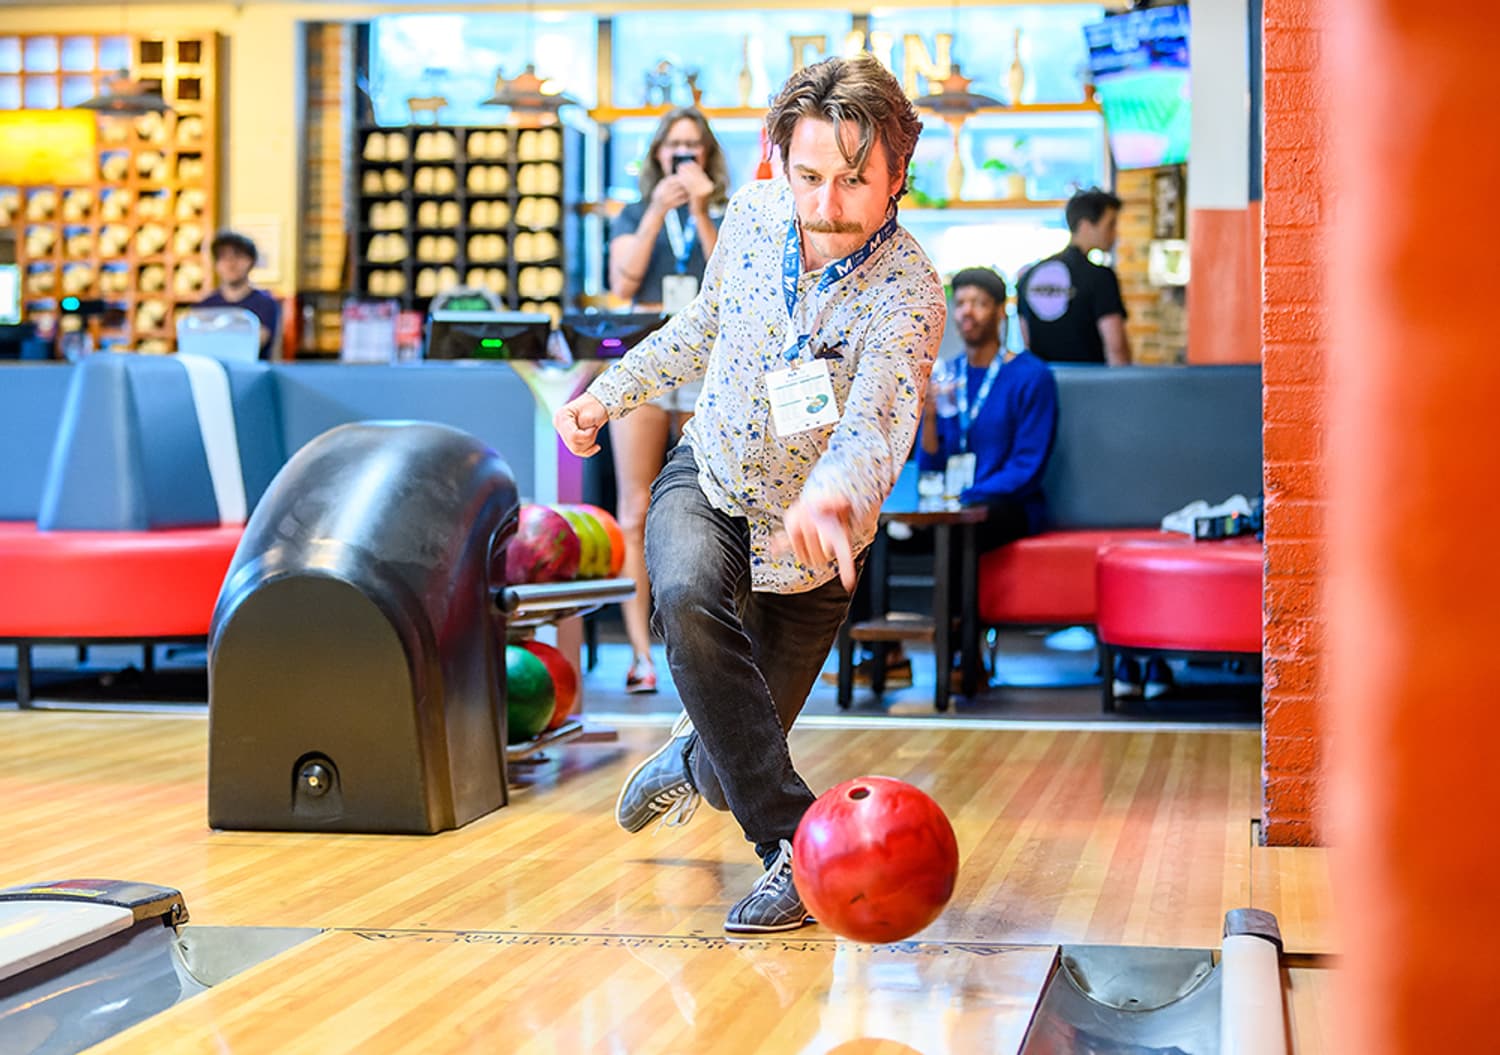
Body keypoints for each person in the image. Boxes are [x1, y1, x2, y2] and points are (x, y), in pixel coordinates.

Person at [553, 54, 945, 933]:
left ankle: (693, 761)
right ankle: (796, 855)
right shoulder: (756, 213)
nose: (826, 204)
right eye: (808, 176)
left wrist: (836, 494)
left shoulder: (912, 292)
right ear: (780, 163)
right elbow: (701, 326)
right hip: (712, 479)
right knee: (688, 596)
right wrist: (608, 393)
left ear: (897, 177)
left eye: (853, 181)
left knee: (737, 752)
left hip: (814, 546)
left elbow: (879, 419)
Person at [837, 267, 1059, 689]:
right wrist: (931, 415)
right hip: (949, 505)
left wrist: (970, 497)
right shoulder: (946, 375)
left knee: (961, 534)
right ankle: (884, 656)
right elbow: (932, 464)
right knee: (869, 534)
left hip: (1008, 505)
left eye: (978, 303)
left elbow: (1027, 467)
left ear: (1000, 312)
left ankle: (964, 659)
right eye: (960, 304)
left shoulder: (1031, 375)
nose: (967, 312)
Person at [606, 108, 730, 694]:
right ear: (657, 156)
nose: (683, 157)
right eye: (673, 147)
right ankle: (640, 656)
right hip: (645, 363)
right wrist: (659, 209)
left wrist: (701, 212)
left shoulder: (732, 217)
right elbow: (623, 283)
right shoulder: (633, 212)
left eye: (693, 147)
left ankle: (710, 652)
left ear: (707, 156)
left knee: (717, 502)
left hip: (710, 371)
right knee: (633, 509)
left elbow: (731, 284)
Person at [1016, 188, 1130, 366]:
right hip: (1092, 386)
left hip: (1043, 385)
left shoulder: (1029, 276)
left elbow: (1027, 343)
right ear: (1085, 226)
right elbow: (1116, 348)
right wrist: (1126, 387)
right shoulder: (1101, 277)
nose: (1115, 234)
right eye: (1110, 225)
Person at [199, 231, 281, 360]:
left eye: (238, 257)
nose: (231, 264)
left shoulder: (265, 304)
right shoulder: (204, 306)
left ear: (251, 261)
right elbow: (196, 345)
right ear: (216, 264)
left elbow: (254, 343)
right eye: (224, 258)